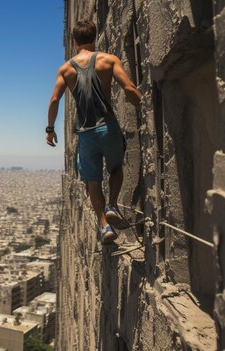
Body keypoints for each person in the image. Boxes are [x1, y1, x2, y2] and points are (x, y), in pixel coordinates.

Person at [46, 20, 141, 244]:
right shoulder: (108, 60)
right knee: (116, 168)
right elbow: (128, 88)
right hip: (107, 127)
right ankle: (113, 205)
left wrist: (50, 130)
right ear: (95, 37)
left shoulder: (66, 69)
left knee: (93, 182)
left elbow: (53, 100)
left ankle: (104, 225)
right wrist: (140, 101)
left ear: (74, 41)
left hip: (86, 133)